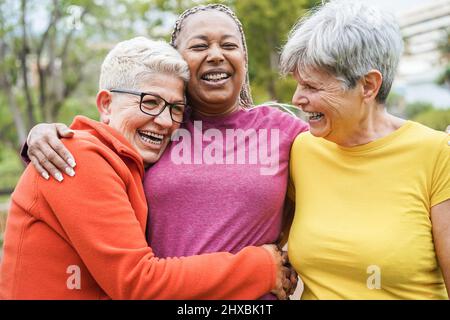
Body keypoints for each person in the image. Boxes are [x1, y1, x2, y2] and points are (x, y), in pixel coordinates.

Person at [21, 4, 307, 300]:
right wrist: (43, 133)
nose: (216, 54)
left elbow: (343, 154)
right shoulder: (159, 128)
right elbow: (100, 139)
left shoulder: (283, 131)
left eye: (229, 45)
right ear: (180, 61)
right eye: (199, 46)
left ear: (244, 59)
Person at [280, 0, 450, 299]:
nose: (297, 98)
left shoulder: (437, 154)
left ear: (368, 86)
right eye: (297, 84)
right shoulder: (302, 150)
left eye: (312, 87)